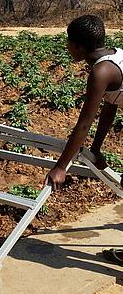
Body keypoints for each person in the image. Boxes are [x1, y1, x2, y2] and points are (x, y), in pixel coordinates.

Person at [44, 14, 123, 266]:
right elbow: (111, 105)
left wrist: (60, 167)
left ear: (78, 46)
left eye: (69, 42)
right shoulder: (115, 57)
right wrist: (96, 150)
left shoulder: (101, 71)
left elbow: (83, 124)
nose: (67, 47)